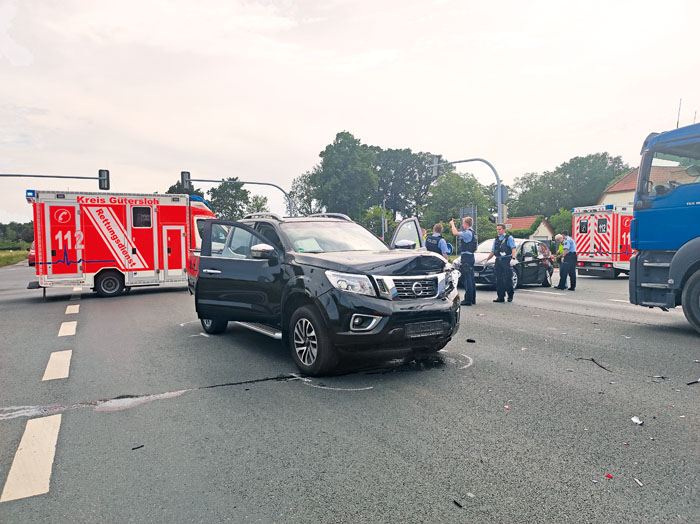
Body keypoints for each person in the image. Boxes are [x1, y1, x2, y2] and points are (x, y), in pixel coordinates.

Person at [483, 223, 517, 303]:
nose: (498, 231)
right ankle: (500, 297)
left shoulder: (509, 238)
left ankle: (510, 295)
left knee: (507, 279)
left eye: (499, 229)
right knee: (499, 279)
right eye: (497, 229)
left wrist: (513, 258)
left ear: (504, 229)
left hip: (506, 260)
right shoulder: (496, 239)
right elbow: (492, 251)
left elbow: (513, 249)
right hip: (498, 260)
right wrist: (487, 259)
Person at [450, 217, 478, 306]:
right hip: (471, 256)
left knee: (467, 279)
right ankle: (472, 298)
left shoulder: (467, 233)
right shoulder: (473, 233)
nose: (462, 225)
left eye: (463, 223)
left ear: (466, 224)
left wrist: (452, 225)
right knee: (471, 278)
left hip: (466, 257)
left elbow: (455, 233)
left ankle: (468, 300)